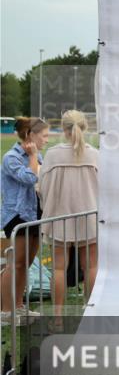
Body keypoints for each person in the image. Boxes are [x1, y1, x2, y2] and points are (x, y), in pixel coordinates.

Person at [39, 110, 99, 315]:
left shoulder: (53, 154)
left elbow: (43, 187)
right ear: (84, 127)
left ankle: (57, 318)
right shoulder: (95, 154)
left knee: (58, 269)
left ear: (62, 129)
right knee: (90, 267)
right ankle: (90, 312)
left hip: (59, 218)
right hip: (89, 217)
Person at [1, 117, 50, 318]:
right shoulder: (11, 157)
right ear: (31, 135)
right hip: (17, 215)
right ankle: (5, 310)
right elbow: (30, 178)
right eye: (44, 135)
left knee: (27, 263)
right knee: (16, 263)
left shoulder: (38, 157)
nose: (47, 140)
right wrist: (32, 156)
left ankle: (18, 305)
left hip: (35, 213)